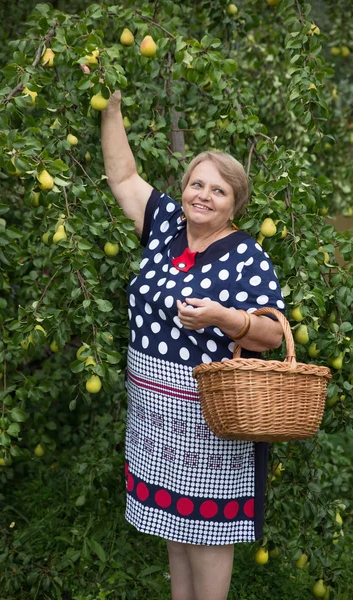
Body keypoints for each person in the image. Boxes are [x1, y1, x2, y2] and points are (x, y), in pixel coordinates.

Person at [101, 90, 285, 600]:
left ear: (235, 204)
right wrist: (111, 109)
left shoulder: (247, 255)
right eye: (196, 184)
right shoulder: (165, 228)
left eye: (218, 190)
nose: (203, 195)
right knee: (175, 534)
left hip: (208, 419)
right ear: (183, 190)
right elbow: (122, 177)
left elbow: (272, 334)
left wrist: (226, 318)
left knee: (206, 533)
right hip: (154, 412)